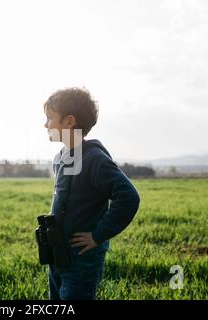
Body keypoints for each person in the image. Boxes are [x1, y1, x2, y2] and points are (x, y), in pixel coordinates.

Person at [43, 87, 140, 300]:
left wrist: (98, 235)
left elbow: (129, 196)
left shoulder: (95, 159)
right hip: (58, 253)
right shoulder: (61, 157)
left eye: (50, 118)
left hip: (82, 257)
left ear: (69, 122)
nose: (45, 125)